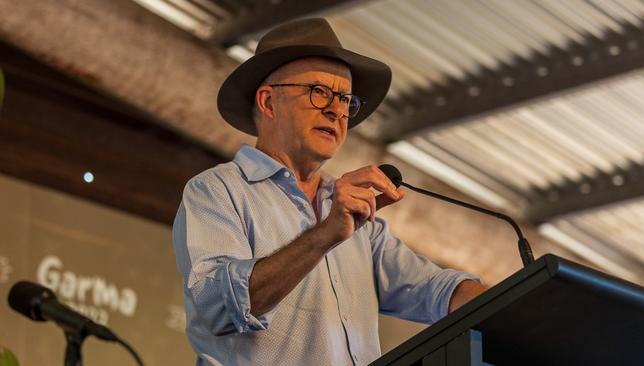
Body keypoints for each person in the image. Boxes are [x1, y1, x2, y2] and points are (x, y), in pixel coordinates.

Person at [172, 18, 487, 366]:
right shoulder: (217, 191)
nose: (336, 109)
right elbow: (219, 307)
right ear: (268, 102)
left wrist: (522, 307)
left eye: (345, 99)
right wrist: (325, 234)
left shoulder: (355, 217)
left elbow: (435, 290)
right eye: (318, 91)